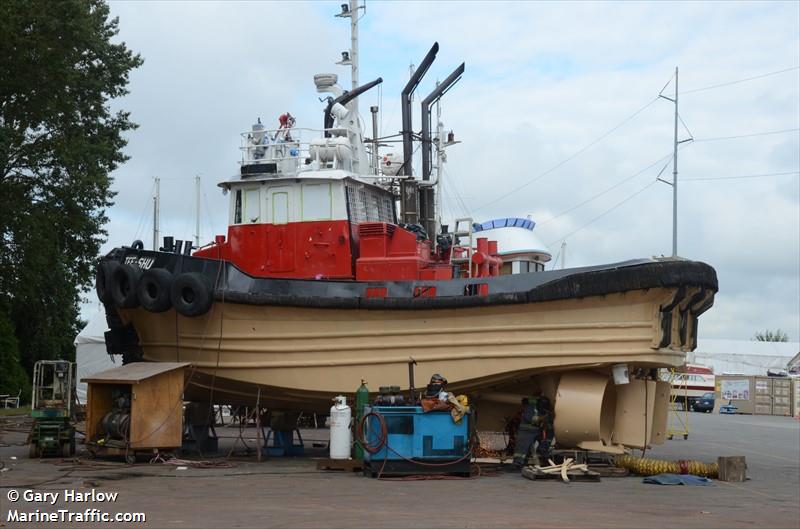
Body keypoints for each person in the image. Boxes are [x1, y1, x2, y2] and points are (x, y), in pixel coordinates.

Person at [512, 390, 554, 467]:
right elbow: (530, 418)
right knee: (522, 448)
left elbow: (548, 423)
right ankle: (518, 463)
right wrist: (543, 418)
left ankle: (542, 451)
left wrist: (547, 424)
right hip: (526, 431)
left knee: (549, 434)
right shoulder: (531, 407)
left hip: (536, 431)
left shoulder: (544, 410)